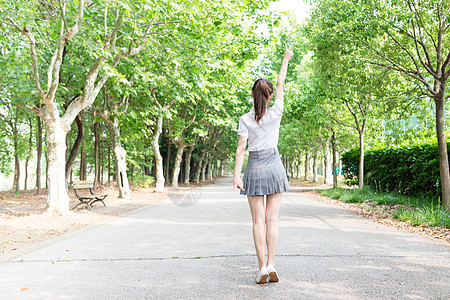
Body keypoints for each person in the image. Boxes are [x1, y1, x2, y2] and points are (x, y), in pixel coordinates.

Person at [233, 43, 294, 284]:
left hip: (255, 169)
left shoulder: (245, 119)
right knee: (273, 220)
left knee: (258, 221)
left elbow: (241, 149)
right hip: (275, 167)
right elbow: (280, 84)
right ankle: (272, 264)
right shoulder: (276, 111)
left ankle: (261, 268)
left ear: (252, 95)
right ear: (269, 96)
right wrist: (286, 59)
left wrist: (237, 176)